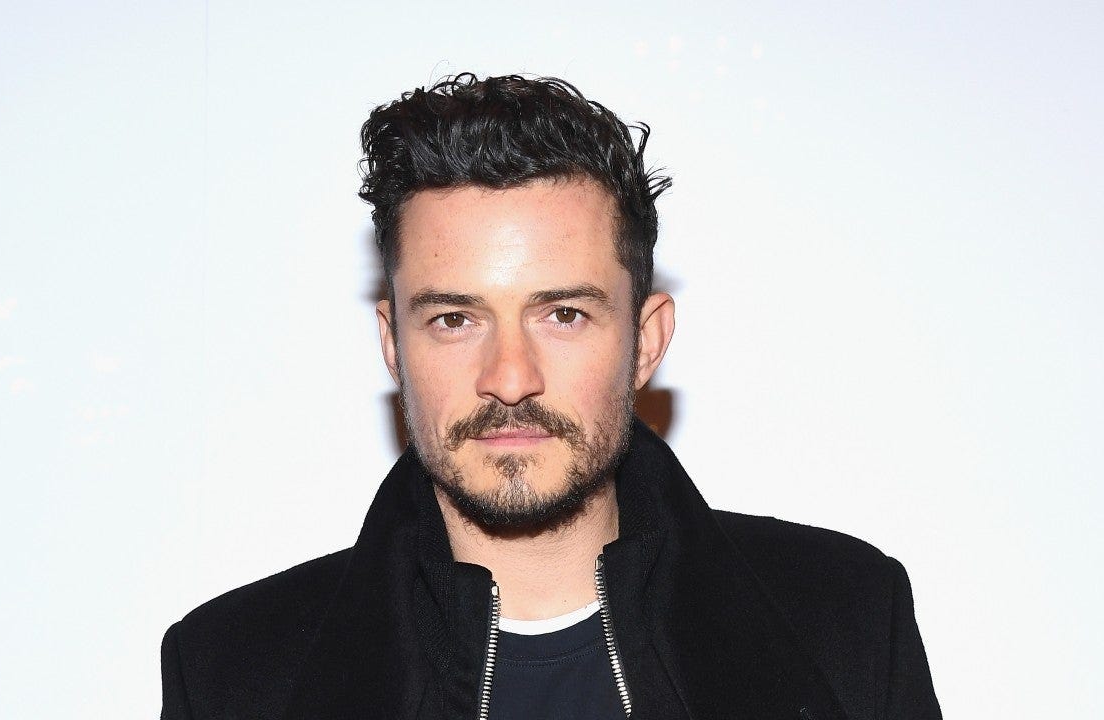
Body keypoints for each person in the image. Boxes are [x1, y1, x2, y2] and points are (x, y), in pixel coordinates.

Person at [160, 73, 942, 720]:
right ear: (394, 344)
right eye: (455, 319)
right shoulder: (234, 672)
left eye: (563, 315)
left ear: (646, 341)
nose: (510, 378)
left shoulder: (840, 620)